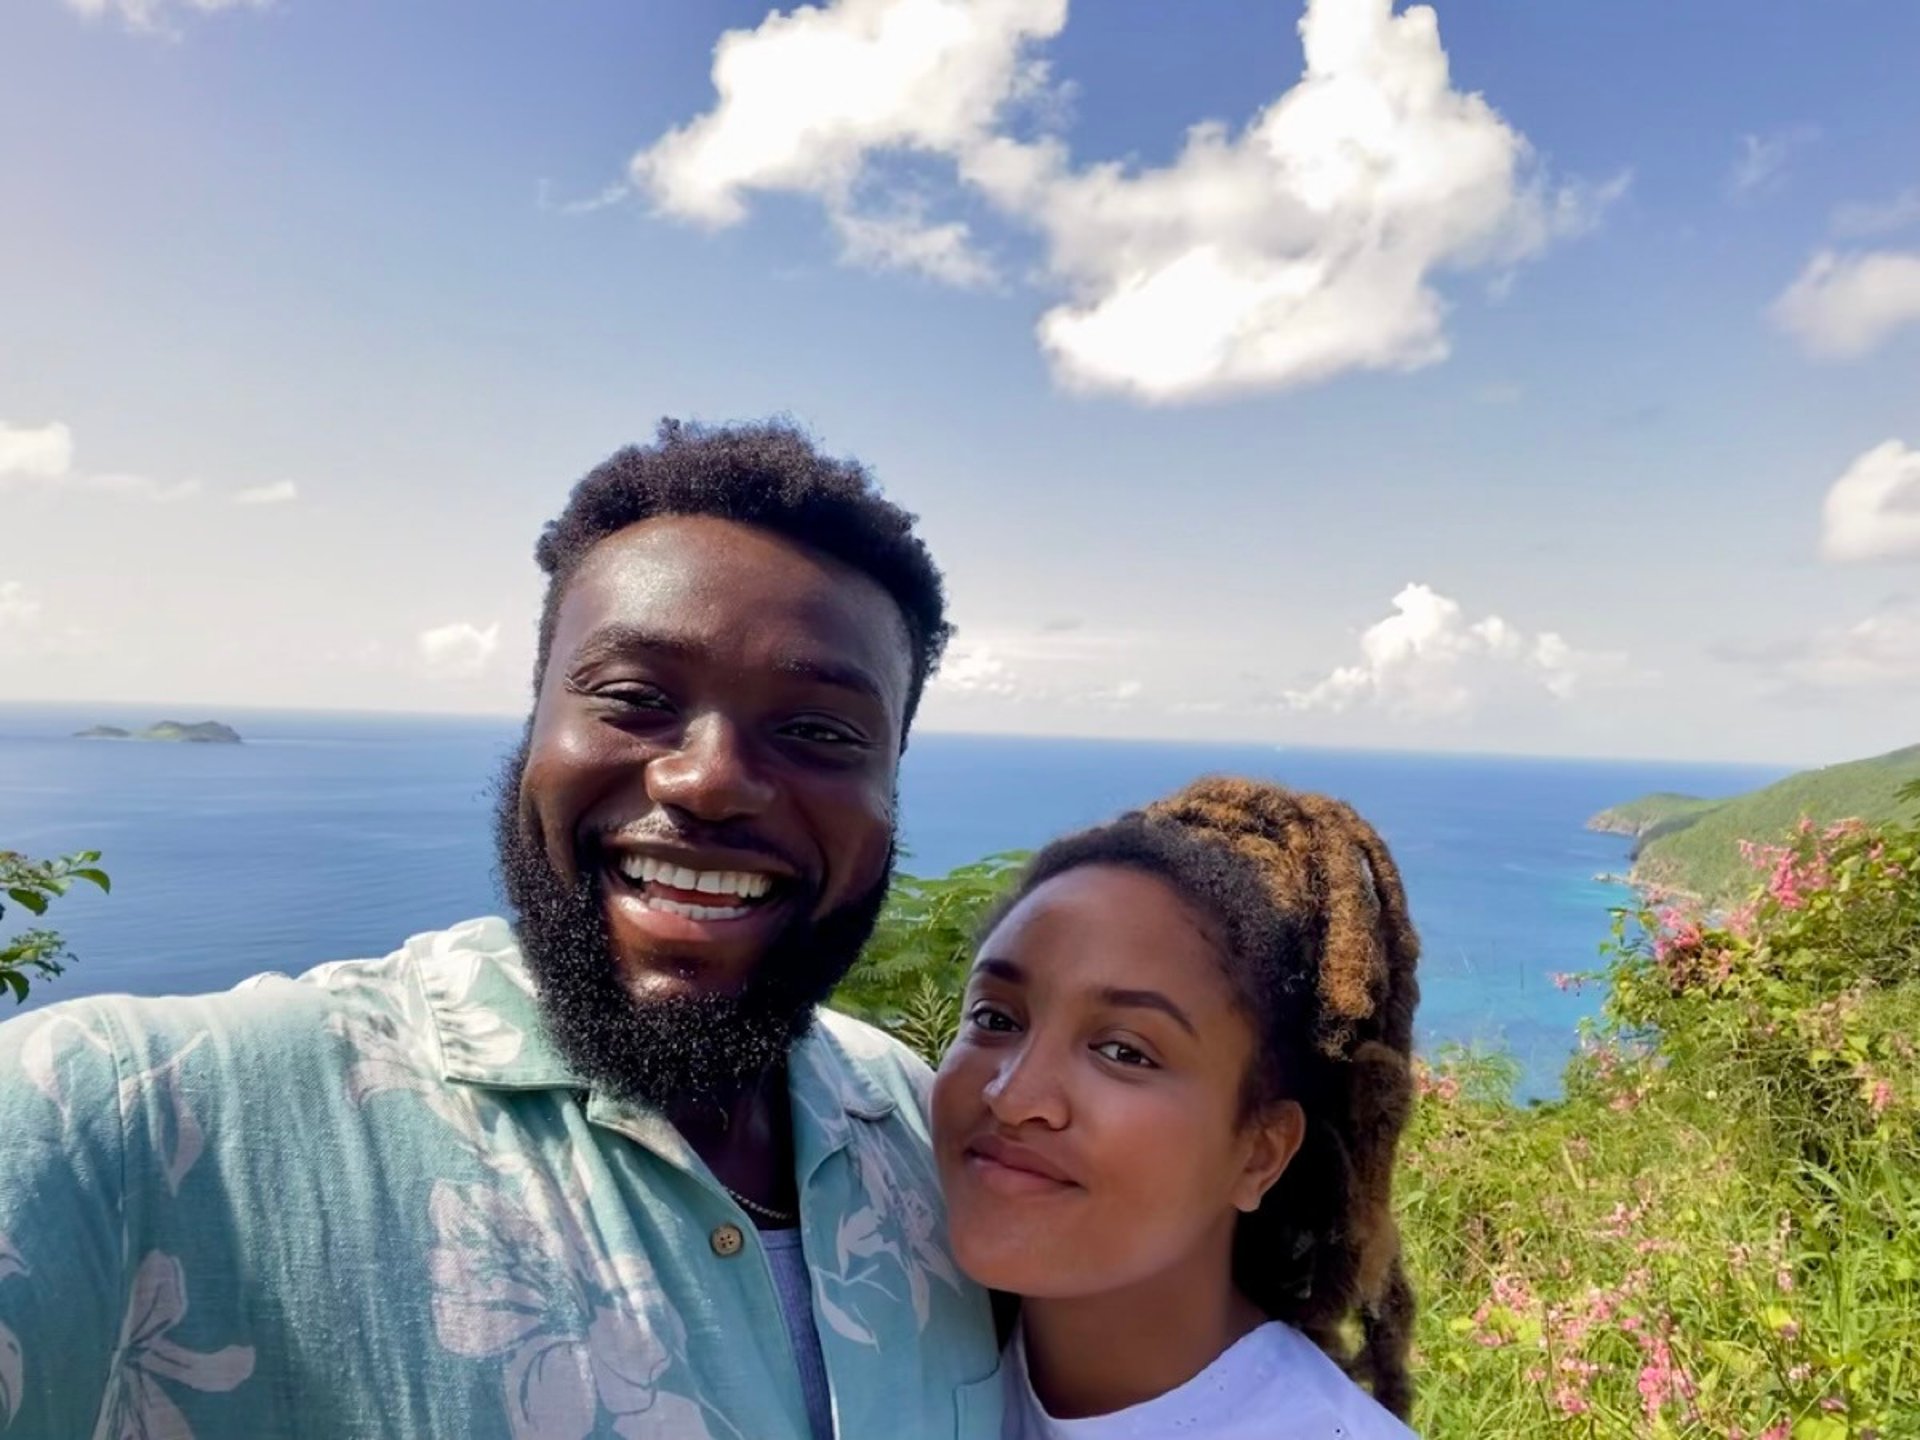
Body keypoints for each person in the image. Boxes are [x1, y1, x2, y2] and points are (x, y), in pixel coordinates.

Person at [0, 420, 1001, 1439]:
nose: (708, 778)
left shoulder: (928, 1134)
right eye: (634, 698)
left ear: (892, 784)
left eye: (822, 731)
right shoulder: (121, 1120)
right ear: (537, 730)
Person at [931, 777, 1422, 1439]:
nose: (1014, 1097)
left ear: (1259, 1152)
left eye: (1124, 1052)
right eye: (994, 1016)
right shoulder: (889, 1347)